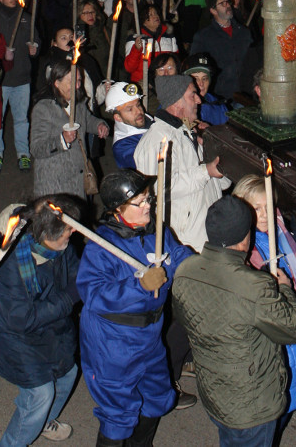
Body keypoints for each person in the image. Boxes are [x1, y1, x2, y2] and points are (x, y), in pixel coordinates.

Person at [172, 196, 296, 447]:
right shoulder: (254, 286)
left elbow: (184, 318)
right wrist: (286, 289)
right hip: (251, 407)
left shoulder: (185, 271)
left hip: (214, 391)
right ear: (245, 237)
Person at [77, 170, 194, 447]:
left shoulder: (155, 229)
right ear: (118, 209)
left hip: (150, 334)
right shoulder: (102, 247)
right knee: (118, 412)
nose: (148, 206)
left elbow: (177, 253)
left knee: (156, 396)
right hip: (113, 342)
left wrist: (193, 266)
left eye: (148, 199)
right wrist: (138, 287)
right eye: (140, 202)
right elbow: (92, 292)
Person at [0, 197, 83, 447]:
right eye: (68, 229)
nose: (74, 231)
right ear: (46, 234)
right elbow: (20, 319)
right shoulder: (7, 262)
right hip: (11, 330)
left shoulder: (59, 245)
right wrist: (69, 298)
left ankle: (44, 421)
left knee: (68, 373)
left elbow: (77, 274)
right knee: (39, 393)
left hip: (48, 318)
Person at [231, 175, 296, 420]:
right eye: (256, 209)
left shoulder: (283, 235)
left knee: (291, 392)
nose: (266, 215)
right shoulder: (243, 248)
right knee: (274, 410)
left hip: (293, 334)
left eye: (269, 206)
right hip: (270, 340)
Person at [135, 74, 229, 251]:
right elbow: (157, 191)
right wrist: (205, 171)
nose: (199, 100)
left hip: (212, 235)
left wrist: (214, 147)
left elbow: (222, 184)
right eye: (192, 95)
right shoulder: (156, 140)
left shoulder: (190, 131)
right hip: (184, 244)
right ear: (176, 102)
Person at [29, 54, 109, 197]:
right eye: (72, 81)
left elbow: (86, 120)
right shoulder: (43, 109)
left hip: (78, 180)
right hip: (54, 184)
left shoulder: (78, 103)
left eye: (79, 80)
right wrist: (62, 140)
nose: (77, 86)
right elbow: (36, 148)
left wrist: (99, 125)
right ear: (56, 82)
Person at [0, 0, 39, 172]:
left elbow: (37, 40)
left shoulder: (26, 17)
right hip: (0, 80)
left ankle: (23, 153)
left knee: (21, 118)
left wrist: (35, 48)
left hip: (21, 77)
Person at [189, 0, 253, 105]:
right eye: (222, 3)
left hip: (246, 94)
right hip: (221, 97)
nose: (227, 5)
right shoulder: (203, 37)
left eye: (227, 2)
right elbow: (196, 67)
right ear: (213, 10)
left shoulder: (244, 32)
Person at [104, 81, 152, 171]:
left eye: (138, 105)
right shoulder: (123, 147)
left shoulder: (150, 121)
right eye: (130, 109)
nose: (138, 111)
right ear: (118, 117)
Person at [185, 54, 228, 126]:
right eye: (195, 79)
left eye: (204, 79)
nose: (201, 83)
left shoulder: (219, 107)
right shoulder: (174, 105)